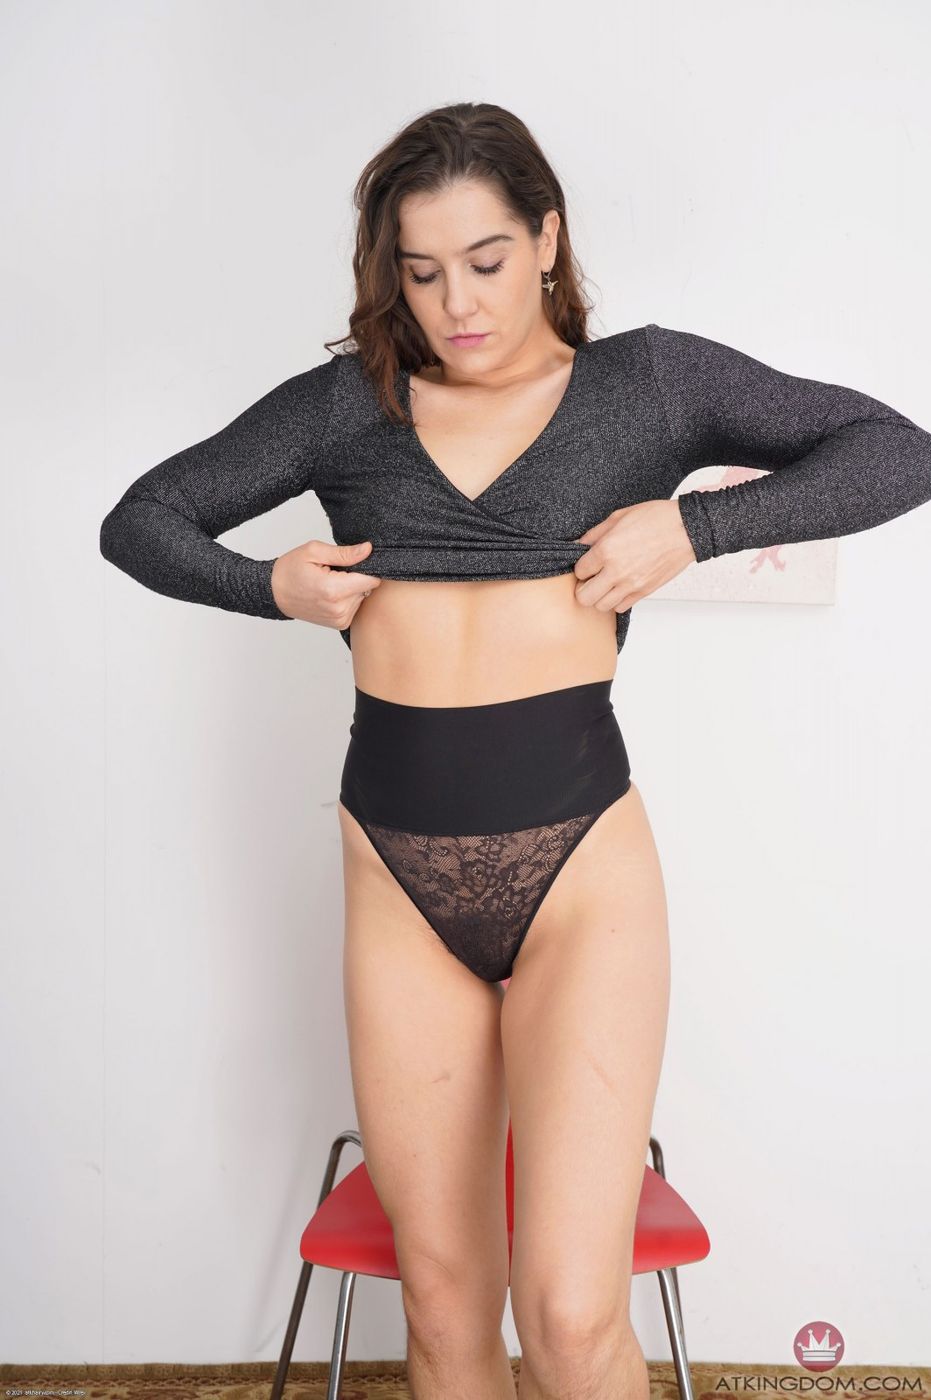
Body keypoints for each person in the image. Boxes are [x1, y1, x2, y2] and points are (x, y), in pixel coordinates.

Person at [99, 101, 931, 1400]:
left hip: (580, 870)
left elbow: (897, 451)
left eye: (485, 262)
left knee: (570, 1314)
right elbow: (143, 518)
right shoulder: (345, 408)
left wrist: (694, 531)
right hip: (396, 881)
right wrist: (269, 586)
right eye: (422, 273)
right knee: (442, 1310)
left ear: (546, 238)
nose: (457, 304)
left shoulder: (649, 385)